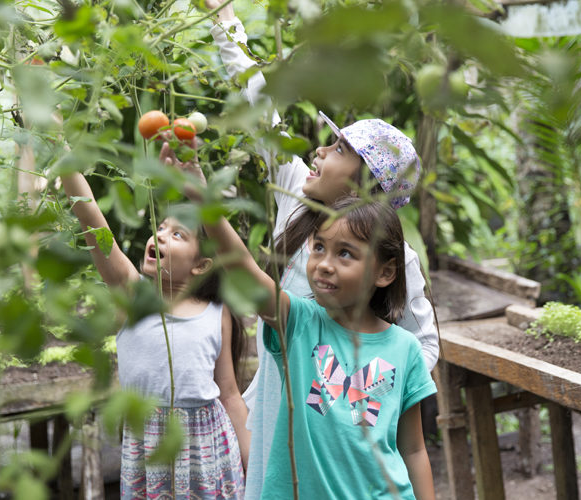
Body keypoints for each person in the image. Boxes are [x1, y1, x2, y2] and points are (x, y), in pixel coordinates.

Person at [166, 4, 440, 497]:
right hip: (279, 405)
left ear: (367, 183)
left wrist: (358, 401)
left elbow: (423, 346)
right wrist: (224, 17)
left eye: (337, 150)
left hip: (350, 426)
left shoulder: (402, 262)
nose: (319, 151)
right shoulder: (294, 193)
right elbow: (258, 101)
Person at [60, 170, 250, 499]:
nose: (159, 235)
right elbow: (90, 216)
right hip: (150, 454)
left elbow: (230, 395)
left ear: (202, 265)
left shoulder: (216, 313)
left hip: (210, 456)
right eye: (160, 228)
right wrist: (62, 153)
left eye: (178, 235)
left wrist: (256, 467)